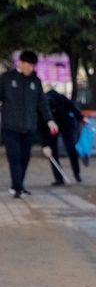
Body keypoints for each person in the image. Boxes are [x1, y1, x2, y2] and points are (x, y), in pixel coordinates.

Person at [0, 50, 58, 198]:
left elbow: (42, 103)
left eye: (33, 66)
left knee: (25, 157)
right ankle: (19, 188)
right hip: (10, 126)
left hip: (28, 126)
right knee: (15, 156)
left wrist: (50, 121)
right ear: (20, 63)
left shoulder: (35, 81)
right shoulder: (6, 78)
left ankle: (17, 185)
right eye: (28, 65)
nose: (30, 69)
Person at [41, 89, 84, 185]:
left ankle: (73, 174)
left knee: (70, 148)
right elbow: (41, 126)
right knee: (55, 151)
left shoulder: (59, 99)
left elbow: (71, 107)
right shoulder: (44, 104)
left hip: (65, 124)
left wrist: (80, 117)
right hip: (50, 126)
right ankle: (62, 176)